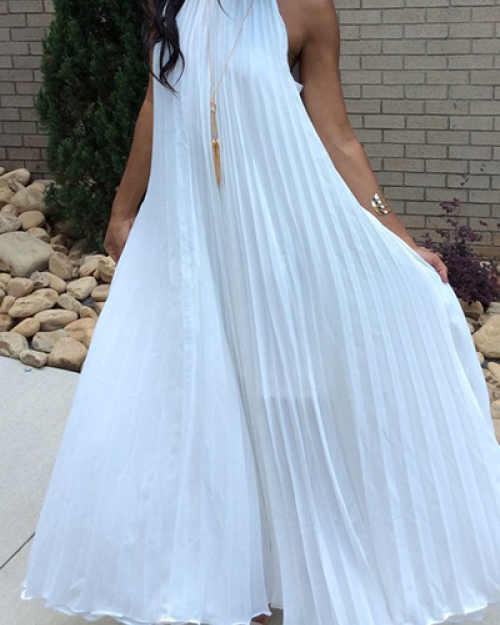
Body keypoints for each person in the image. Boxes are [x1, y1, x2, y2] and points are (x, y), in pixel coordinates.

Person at [20, 1, 500, 625]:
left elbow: (338, 137)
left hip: (276, 230)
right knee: (194, 393)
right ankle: (220, 581)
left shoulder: (305, 10)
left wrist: (401, 240)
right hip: (191, 235)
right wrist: (122, 208)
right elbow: (155, 102)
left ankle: (286, 576)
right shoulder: (176, 6)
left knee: (278, 391)